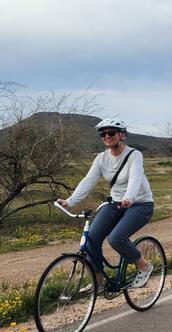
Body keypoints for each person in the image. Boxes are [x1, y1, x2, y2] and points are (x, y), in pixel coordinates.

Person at [57, 119, 155, 290]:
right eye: (103, 134)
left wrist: (129, 198)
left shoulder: (134, 155)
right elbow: (88, 181)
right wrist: (70, 201)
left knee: (116, 238)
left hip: (140, 204)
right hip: (116, 203)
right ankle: (98, 279)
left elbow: (135, 178)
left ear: (121, 134)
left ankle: (144, 266)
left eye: (111, 133)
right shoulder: (101, 158)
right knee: (91, 238)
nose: (107, 136)